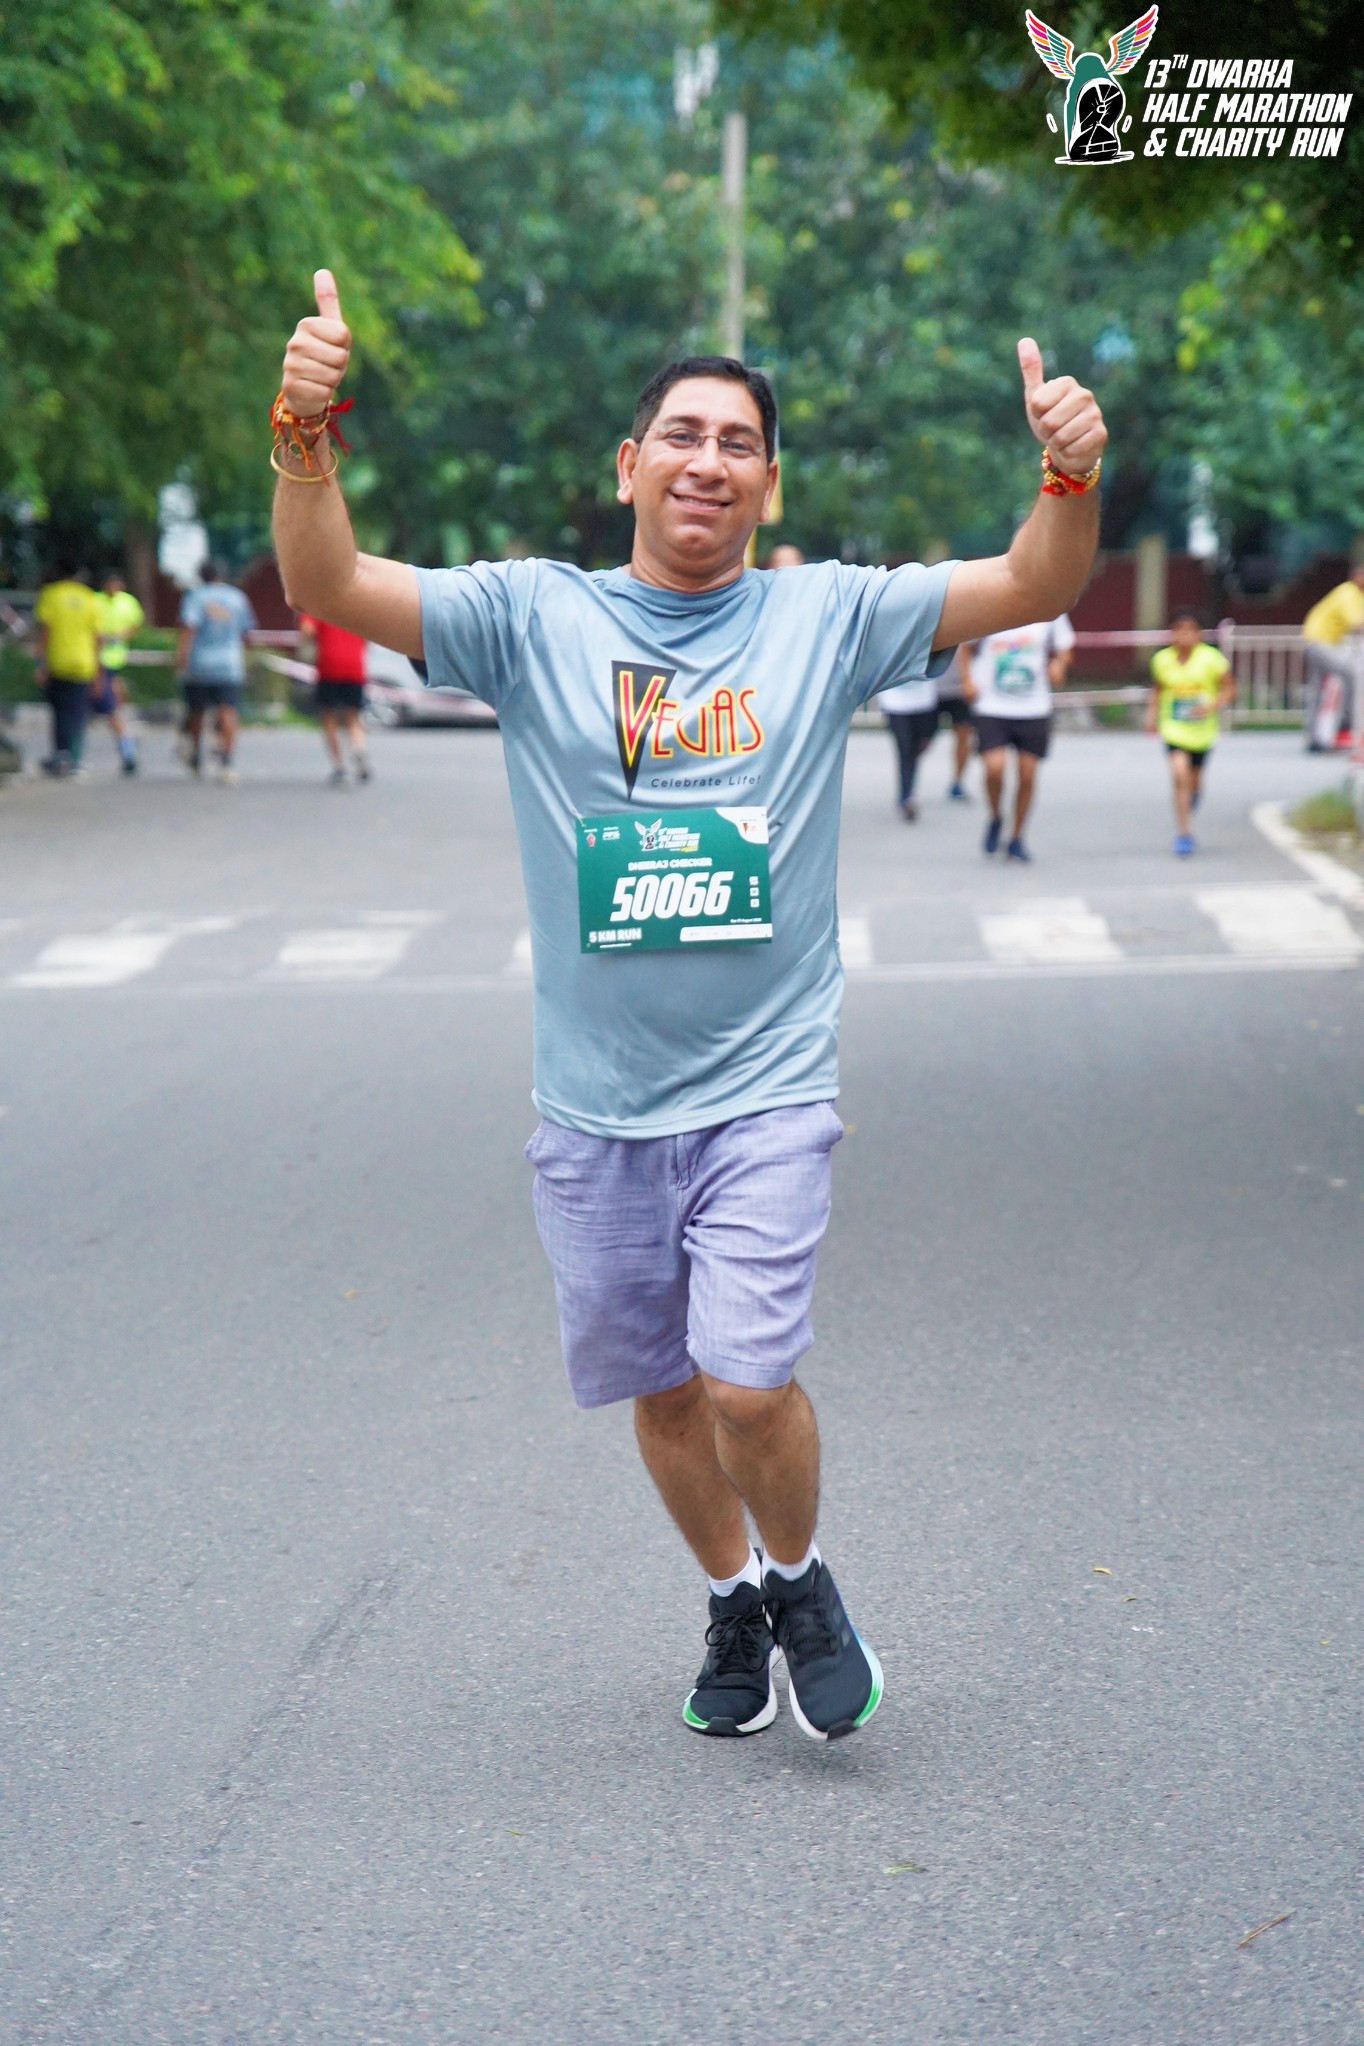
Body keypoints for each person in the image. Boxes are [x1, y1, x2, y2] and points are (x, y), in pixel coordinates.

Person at [273, 269, 1107, 1741]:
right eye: (681, 434)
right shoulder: (531, 616)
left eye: (737, 443)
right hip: (592, 1106)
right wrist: (301, 432)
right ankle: (735, 1597)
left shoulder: (825, 616)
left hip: (765, 1087)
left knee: (745, 1382)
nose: (707, 460)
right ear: (628, 466)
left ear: (768, 485)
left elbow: (1034, 585)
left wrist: (1068, 474)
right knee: (660, 1393)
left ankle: (799, 1576)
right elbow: (328, 585)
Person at [961, 613, 1075, 861]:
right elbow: (965, 645)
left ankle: (1016, 837)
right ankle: (996, 816)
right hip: (992, 704)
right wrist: (967, 679)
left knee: (1027, 775)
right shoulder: (993, 603)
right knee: (994, 768)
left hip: (1033, 707)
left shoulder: (1049, 609)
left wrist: (1058, 665)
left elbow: (1065, 647)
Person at [1146, 608, 1235, 857]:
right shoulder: (1162, 660)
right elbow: (1158, 689)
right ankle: (1184, 832)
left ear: (1199, 634)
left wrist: (1211, 706)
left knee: (1194, 780)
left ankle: (1191, 799)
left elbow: (1229, 689)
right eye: (1179, 630)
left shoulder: (1212, 660)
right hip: (1174, 728)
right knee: (1179, 773)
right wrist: (1151, 713)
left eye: (1189, 630)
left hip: (1202, 731)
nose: (1184, 636)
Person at [178, 562, 257, 782]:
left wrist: (182, 658)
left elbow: (189, 629)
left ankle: (196, 752)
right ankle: (227, 761)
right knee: (228, 712)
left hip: (200, 663)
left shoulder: (195, 597)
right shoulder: (237, 598)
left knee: (197, 711)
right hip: (230, 664)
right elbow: (247, 633)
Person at [33, 560, 103, 777]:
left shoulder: (51, 594)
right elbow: (97, 637)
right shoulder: (90, 598)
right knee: (77, 712)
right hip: (83, 663)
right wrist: (98, 671)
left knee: (59, 711)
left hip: (57, 661)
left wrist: (40, 663)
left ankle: (60, 754)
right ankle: (74, 758)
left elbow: (45, 631)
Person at [298, 612, 371, 784]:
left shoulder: (319, 607)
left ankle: (339, 767)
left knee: (329, 717)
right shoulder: (357, 606)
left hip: (329, 667)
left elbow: (307, 630)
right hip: (355, 666)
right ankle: (358, 748)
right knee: (353, 717)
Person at [1301, 564, 1364, 751]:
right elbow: (1356, 623)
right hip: (1321, 642)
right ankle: (1347, 723)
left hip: (1317, 641)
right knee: (1351, 674)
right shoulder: (1348, 593)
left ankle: (1313, 738)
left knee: (1317, 689)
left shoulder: (1354, 595)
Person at [94, 570, 144, 775]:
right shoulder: (95, 601)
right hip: (93, 660)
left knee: (111, 707)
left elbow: (136, 625)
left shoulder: (128, 602)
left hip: (114, 658)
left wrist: (121, 636)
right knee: (109, 706)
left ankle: (127, 747)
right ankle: (127, 744)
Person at [879, 670, 938, 820]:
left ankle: (908, 789)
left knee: (919, 746)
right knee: (905, 749)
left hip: (925, 701)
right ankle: (907, 796)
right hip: (895, 703)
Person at [935, 651, 975, 800]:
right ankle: (909, 783)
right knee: (921, 740)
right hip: (930, 689)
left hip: (960, 689)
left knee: (964, 735)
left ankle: (958, 781)